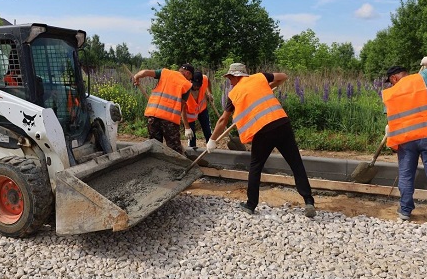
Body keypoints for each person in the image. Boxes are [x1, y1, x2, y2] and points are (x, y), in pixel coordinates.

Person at [206, 63, 316, 217]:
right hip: (281, 123)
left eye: (230, 77)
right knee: (296, 163)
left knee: (256, 167)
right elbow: (283, 77)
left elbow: (223, 120)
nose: (229, 81)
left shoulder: (234, 93)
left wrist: (212, 139)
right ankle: (308, 201)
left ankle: (250, 205)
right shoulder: (259, 78)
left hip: (263, 131)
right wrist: (265, 87)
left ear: (237, 76)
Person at [383, 56, 427, 231]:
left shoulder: (390, 94)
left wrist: (388, 132)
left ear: (394, 78)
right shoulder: (423, 77)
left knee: (406, 175)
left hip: (406, 141)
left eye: (390, 82)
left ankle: (405, 211)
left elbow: (392, 120)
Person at [133, 63, 194, 154]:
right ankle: (176, 167)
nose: (190, 80)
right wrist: (183, 127)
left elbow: (145, 72)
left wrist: (136, 77)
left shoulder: (165, 73)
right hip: (170, 120)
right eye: (190, 78)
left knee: (154, 146)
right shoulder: (187, 84)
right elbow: (181, 107)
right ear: (188, 73)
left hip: (153, 116)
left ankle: (156, 166)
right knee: (174, 149)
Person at [185, 71, 214, 148]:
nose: (197, 87)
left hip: (202, 109)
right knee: (191, 134)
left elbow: (208, 80)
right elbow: (182, 109)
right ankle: (192, 148)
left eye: (199, 86)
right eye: (195, 85)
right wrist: (186, 127)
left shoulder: (204, 79)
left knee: (207, 129)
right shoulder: (185, 87)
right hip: (190, 112)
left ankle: (210, 146)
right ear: (191, 81)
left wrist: (209, 93)